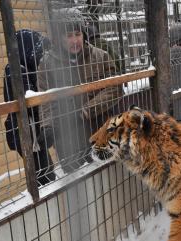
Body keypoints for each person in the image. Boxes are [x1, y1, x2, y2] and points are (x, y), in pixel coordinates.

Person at [37, 8, 121, 173]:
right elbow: (45, 100)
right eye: (68, 35)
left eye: (78, 34)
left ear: (84, 34)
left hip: (101, 131)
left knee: (110, 181)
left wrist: (85, 111)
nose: (75, 40)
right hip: (68, 138)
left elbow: (115, 89)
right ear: (58, 39)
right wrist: (48, 127)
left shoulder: (100, 56)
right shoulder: (47, 65)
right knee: (80, 185)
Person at [3, 29, 56, 187]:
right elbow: (29, 102)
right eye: (36, 50)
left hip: (33, 130)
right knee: (43, 176)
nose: (39, 55)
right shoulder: (16, 70)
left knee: (46, 172)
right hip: (27, 133)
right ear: (25, 48)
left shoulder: (28, 66)